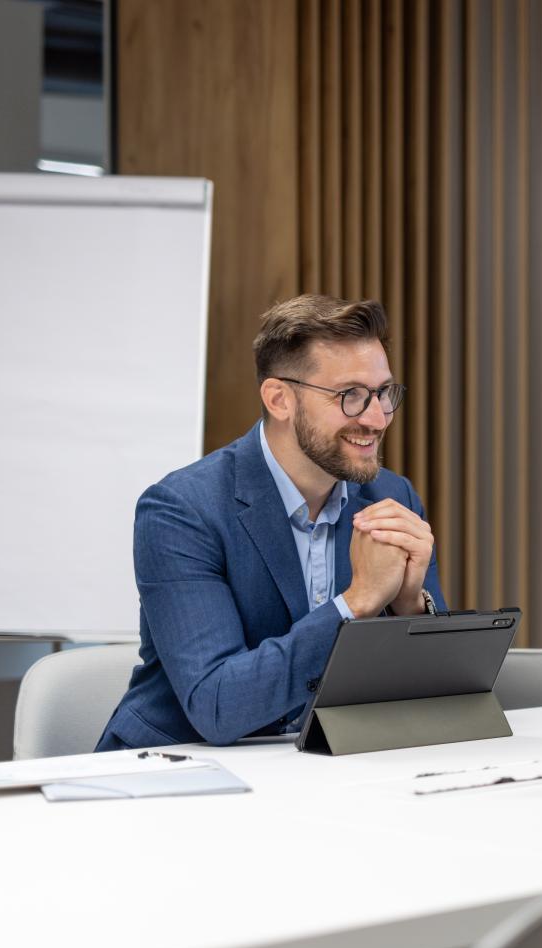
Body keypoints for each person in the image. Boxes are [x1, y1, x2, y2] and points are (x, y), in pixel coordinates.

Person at [95, 295, 445, 750]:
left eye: (384, 393)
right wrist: (355, 604)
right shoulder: (182, 510)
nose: (377, 418)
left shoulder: (392, 497)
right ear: (279, 399)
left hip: (321, 770)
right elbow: (218, 707)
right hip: (180, 770)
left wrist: (409, 607)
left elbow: (438, 700)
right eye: (351, 396)